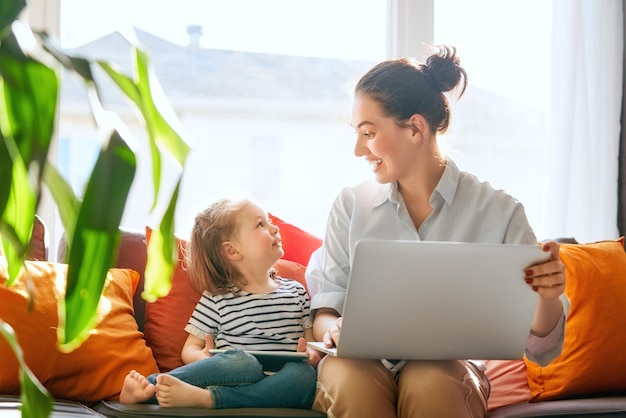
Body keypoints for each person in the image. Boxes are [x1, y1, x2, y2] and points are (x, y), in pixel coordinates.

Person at [305, 45, 569, 418]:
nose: (357, 149)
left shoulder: (499, 211)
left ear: (415, 128)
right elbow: (325, 311)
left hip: (448, 372)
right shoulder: (350, 206)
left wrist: (547, 294)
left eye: (368, 133)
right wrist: (333, 329)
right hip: (359, 364)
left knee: (431, 377)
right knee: (348, 374)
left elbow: (541, 345)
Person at [120, 198, 320, 409]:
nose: (275, 228)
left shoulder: (296, 290)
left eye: (269, 221)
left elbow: (313, 344)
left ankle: (209, 399)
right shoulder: (218, 297)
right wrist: (203, 357)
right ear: (232, 250)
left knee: (305, 375)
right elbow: (189, 349)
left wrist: (312, 355)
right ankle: (148, 388)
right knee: (244, 363)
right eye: (261, 224)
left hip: (280, 383)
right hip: (237, 375)